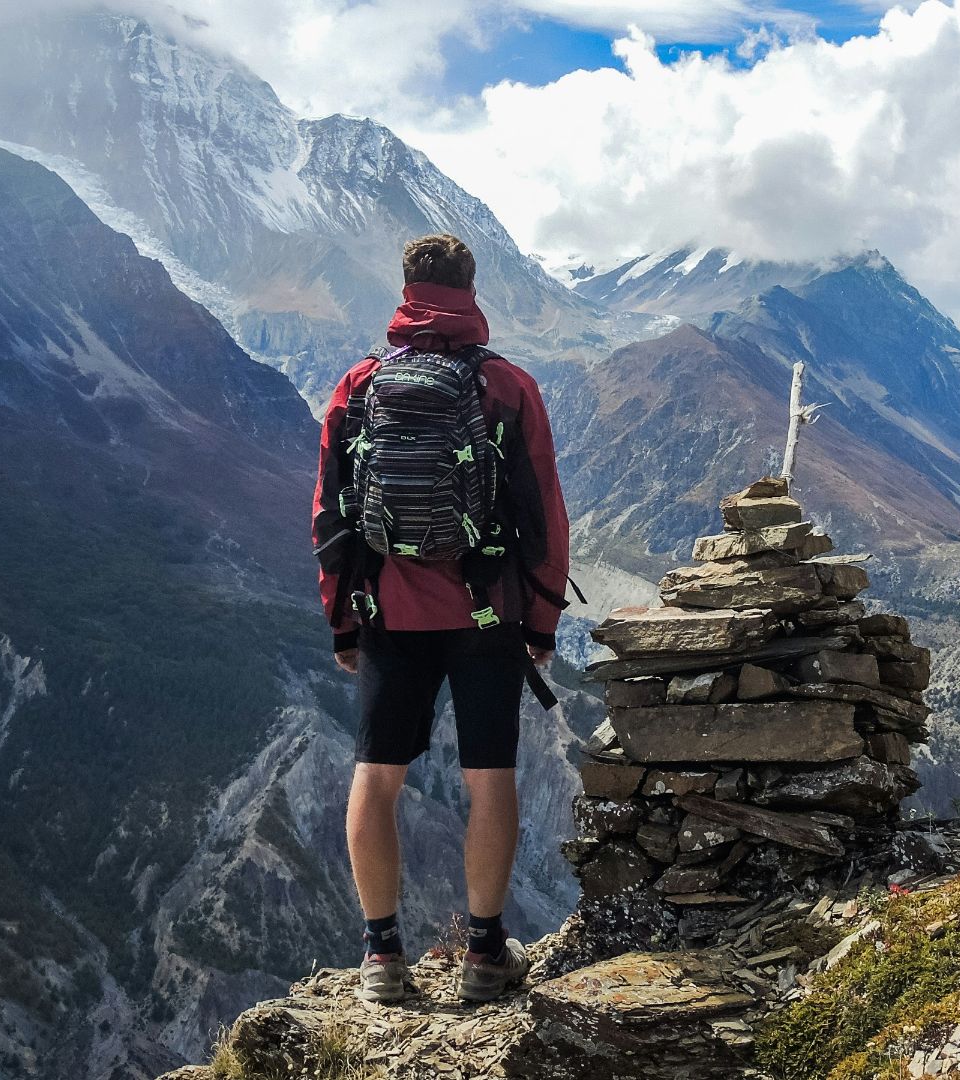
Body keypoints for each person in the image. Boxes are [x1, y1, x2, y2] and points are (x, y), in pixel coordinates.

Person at [311, 233, 571, 1004]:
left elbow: (329, 515)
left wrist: (343, 622)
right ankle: (486, 954)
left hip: (388, 611)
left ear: (405, 289)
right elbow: (544, 517)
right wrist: (542, 622)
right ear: (472, 288)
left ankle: (382, 957)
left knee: (378, 776)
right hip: (488, 614)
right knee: (490, 779)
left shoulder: (359, 386)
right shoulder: (509, 387)